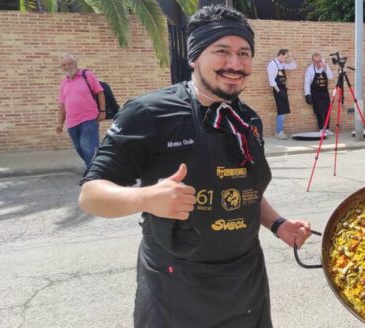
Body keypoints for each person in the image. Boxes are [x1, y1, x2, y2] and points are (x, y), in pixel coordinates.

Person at [77, 6, 312, 327]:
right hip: (175, 285)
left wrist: (277, 224)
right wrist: (146, 198)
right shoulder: (150, 113)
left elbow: (244, 191)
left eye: (244, 53)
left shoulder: (249, 120)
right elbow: (90, 195)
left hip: (245, 280)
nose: (235, 63)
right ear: (194, 57)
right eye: (222, 51)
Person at [57, 53, 105, 169]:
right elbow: (62, 104)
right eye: (64, 65)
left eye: (70, 63)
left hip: (89, 118)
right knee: (79, 147)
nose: (67, 67)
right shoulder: (64, 82)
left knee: (88, 146)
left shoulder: (87, 75)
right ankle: (95, 167)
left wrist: (103, 111)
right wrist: (60, 122)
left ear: (76, 63)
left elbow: (100, 92)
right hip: (71, 121)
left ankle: (96, 172)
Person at [267, 48, 297, 139]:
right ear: (280, 55)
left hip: (283, 89)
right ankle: (279, 132)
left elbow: (294, 66)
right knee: (281, 110)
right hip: (278, 90)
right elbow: (271, 80)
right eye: (285, 57)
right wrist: (278, 91)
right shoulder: (273, 64)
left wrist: (291, 56)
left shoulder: (282, 64)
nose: (286, 59)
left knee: (283, 111)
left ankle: (279, 131)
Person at [303, 53, 333, 131]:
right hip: (315, 93)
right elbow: (307, 83)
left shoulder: (325, 66)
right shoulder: (310, 69)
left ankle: (327, 129)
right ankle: (321, 129)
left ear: (321, 59)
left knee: (327, 111)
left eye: (319, 61)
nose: (318, 63)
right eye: (316, 61)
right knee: (318, 112)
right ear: (313, 61)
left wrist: (326, 68)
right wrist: (307, 94)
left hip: (324, 92)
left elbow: (330, 77)